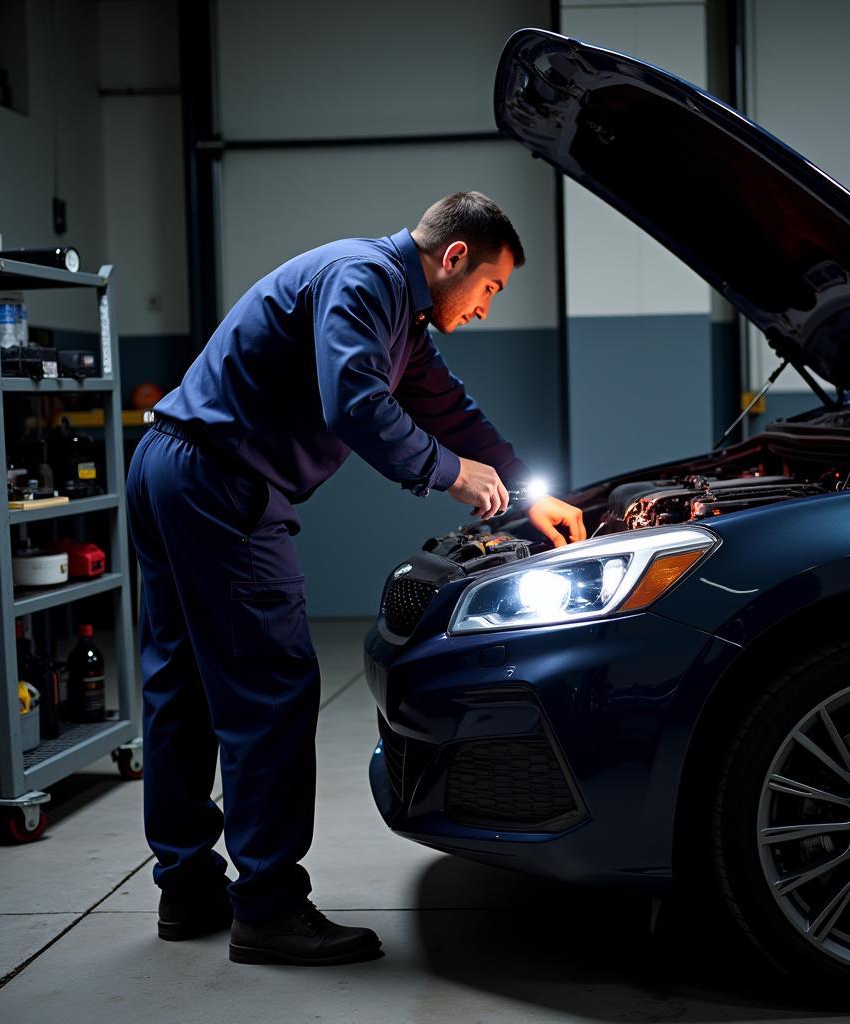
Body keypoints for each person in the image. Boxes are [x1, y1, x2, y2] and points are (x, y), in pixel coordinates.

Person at [125, 191, 587, 967]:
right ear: (453, 258)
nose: (485, 310)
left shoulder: (395, 312)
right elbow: (355, 403)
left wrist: (527, 490)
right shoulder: (365, 280)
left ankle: (187, 887)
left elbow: (447, 408)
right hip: (221, 486)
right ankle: (267, 909)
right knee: (269, 689)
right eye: (490, 288)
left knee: (182, 686)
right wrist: (452, 477)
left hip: (171, 466)